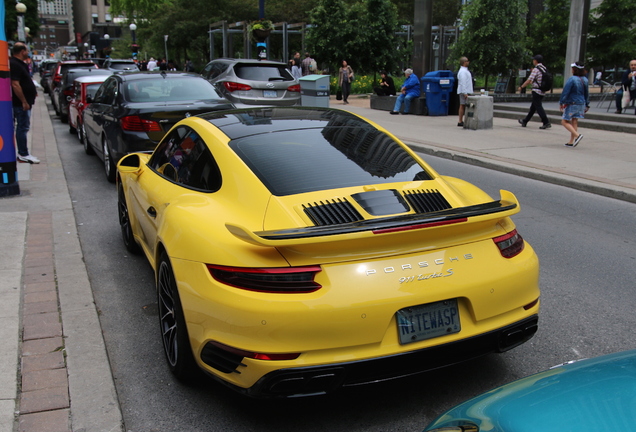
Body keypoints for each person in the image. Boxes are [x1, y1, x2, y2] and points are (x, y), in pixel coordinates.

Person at [10, 43, 40, 164]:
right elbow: (15, 84)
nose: (28, 52)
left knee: (23, 127)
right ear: (22, 51)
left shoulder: (20, 64)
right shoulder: (15, 64)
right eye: (27, 50)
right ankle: (23, 154)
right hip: (20, 103)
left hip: (24, 101)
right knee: (23, 127)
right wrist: (24, 101)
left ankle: (23, 153)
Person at [559, 62, 589, 147]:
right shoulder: (585, 80)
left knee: (564, 121)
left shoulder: (572, 79)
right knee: (574, 121)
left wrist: (562, 102)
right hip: (581, 102)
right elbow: (586, 93)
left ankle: (577, 135)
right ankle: (571, 141)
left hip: (572, 102)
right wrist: (587, 104)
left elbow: (566, 91)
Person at [517, 54, 551, 129]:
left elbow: (529, 80)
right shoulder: (544, 68)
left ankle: (546, 122)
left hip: (536, 91)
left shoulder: (536, 69)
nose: (533, 61)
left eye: (533, 60)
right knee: (533, 107)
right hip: (542, 91)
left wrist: (521, 87)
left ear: (535, 61)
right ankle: (525, 121)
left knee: (538, 107)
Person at [456, 56, 473, 127]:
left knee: (464, 105)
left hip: (466, 90)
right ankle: (460, 120)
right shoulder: (463, 71)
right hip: (464, 91)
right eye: (467, 61)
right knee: (462, 105)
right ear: (464, 62)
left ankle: (462, 120)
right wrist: (465, 93)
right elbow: (463, 82)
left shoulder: (465, 70)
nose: (468, 62)